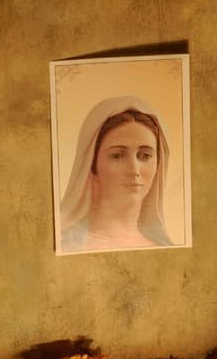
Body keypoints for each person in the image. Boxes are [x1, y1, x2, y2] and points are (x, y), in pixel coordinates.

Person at [57, 92, 175, 253]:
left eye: (145, 156)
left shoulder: (165, 249)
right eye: (117, 156)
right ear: (92, 164)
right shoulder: (66, 244)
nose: (134, 170)